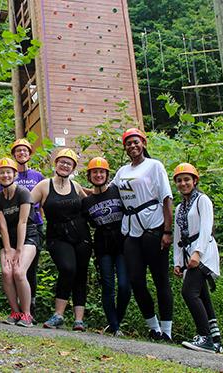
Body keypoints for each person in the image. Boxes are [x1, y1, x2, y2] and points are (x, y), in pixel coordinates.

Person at [112, 127, 174, 341]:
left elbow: (166, 198)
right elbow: (106, 192)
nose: (132, 146)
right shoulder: (122, 172)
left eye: (136, 142)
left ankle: (167, 331)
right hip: (131, 230)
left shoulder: (154, 166)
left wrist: (167, 230)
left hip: (154, 227)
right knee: (136, 280)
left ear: (143, 143)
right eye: (128, 143)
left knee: (160, 280)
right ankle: (153, 326)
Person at [30, 148, 92, 331]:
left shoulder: (76, 186)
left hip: (82, 237)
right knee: (67, 268)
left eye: (69, 163)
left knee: (80, 274)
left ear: (73, 168)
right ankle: (58, 315)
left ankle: (78, 320)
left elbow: (90, 201)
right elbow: (25, 202)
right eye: (62, 161)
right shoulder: (44, 185)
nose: (65, 165)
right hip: (57, 237)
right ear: (55, 164)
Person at [172, 163, 223, 353]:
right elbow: (178, 237)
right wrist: (177, 262)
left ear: (195, 181)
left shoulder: (202, 200)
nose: (183, 183)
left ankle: (205, 337)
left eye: (187, 179)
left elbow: (206, 228)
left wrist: (197, 253)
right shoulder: (179, 208)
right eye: (179, 180)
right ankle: (216, 340)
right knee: (202, 296)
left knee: (189, 292)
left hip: (204, 252)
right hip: (188, 252)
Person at [82, 157, 130, 337]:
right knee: (108, 286)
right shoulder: (86, 202)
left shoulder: (116, 191)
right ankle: (115, 326)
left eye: (101, 172)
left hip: (122, 243)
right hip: (103, 246)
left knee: (125, 285)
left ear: (107, 174)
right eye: (95, 172)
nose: (98, 174)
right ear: (89, 176)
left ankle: (116, 319)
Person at [0, 157, 38, 327]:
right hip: (8, 239)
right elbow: (2, 226)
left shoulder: (23, 193)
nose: (5, 175)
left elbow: (23, 222)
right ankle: (15, 311)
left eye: (8, 172)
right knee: (6, 272)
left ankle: (27, 315)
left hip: (28, 236)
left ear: (14, 174)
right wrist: (8, 249)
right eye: (1, 172)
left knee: (19, 272)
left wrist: (18, 250)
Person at [11, 138, 44, 318]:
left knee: (31, 268)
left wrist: (42, 221)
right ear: (14, 155)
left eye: (25, 151)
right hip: (14, 225)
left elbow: (45, 198)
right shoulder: (9, 174)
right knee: (16, 265)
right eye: (18, 151)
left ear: (29, 154)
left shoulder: (37, 176)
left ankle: (31, 304)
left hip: (34, 225)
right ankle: (16, 305)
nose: (21, 153)